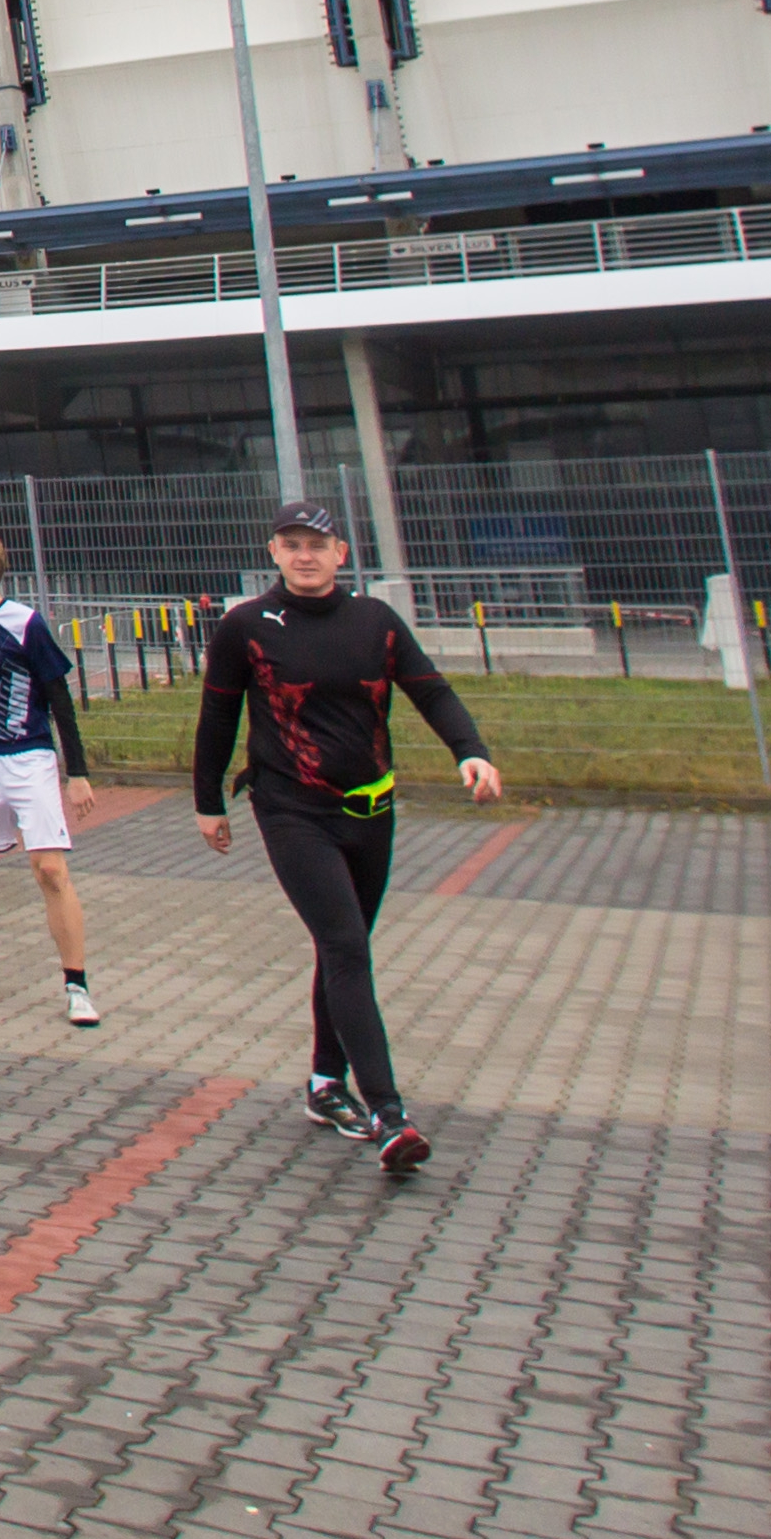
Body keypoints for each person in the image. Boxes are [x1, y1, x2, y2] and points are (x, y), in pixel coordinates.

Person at [194, 501, 502, 1178]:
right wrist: (207, 801)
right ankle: (389, 1113)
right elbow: (218, 713)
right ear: (274, 552)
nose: (305, 555)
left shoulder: (375, 622)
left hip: (372, 812)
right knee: (345, 947)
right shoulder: (246, 626)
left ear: (340, 554)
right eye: (291, 544)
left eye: (317, 544)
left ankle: (324, 1083)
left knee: (344, 949)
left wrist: (468, 751)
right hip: (292, 810)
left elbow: (431, 690)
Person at [0, 532, 102, 1025]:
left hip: (29, 758)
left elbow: (60, 700)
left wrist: (78, 773)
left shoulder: (27, 623)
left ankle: (76, 984)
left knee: (50, 870)